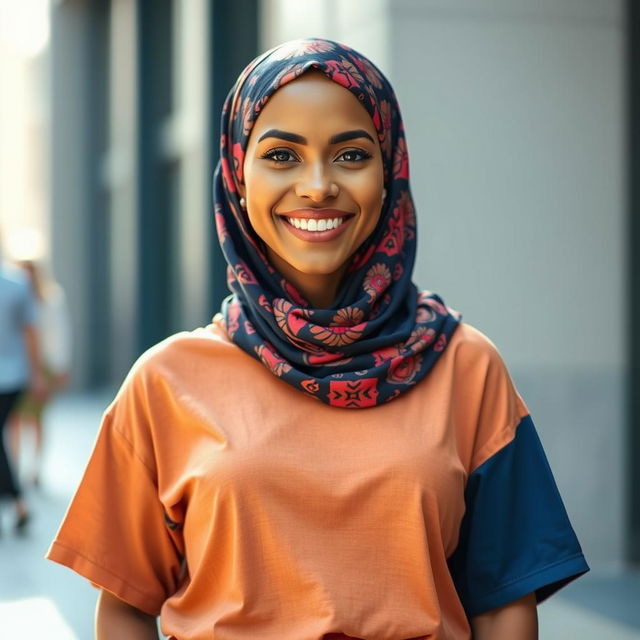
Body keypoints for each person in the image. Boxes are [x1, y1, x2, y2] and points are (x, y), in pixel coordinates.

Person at [47, 38, 589, 639]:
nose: (317, 186)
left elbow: (505, 602)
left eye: (351, 154)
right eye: (281, 155)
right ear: (237, 175)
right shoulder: (165, 380)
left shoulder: (467, 366)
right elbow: (124, 606)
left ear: (390, 173)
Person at [8, 259, 71, 488]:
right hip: (15, 365)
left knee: (35, 418)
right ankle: (14, 467)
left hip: (42, 364)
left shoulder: (50, 301)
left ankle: (35, 467)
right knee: (13, 418)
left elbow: (60, 333)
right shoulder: (13, 299)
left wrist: (60, 365)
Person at [0, 258, 45, 534]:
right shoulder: (17, 286)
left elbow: (31, 332)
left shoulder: (17, 286)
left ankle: (18, 502)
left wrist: (37, 373)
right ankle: (18, 504)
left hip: (11, 376)